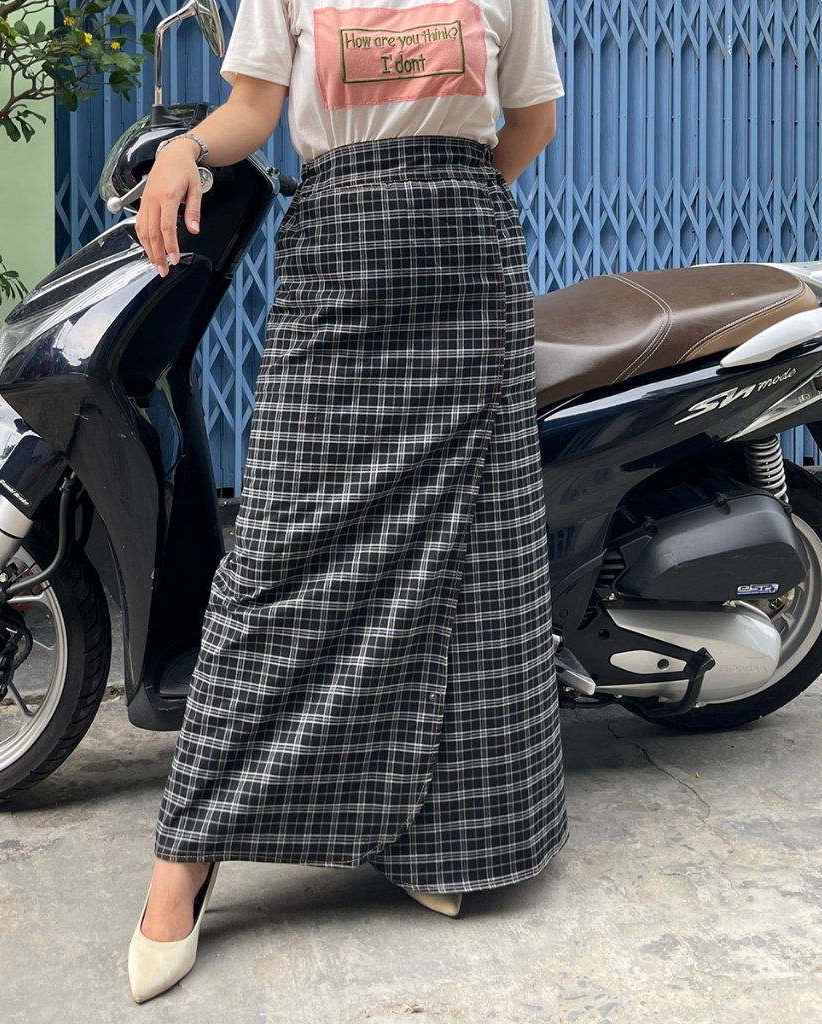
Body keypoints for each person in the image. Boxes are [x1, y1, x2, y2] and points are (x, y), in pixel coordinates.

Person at [128, 0, 568, 1003]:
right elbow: (255, 110)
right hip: (340, 255)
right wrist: (186, 148)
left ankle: (440, 837)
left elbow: (532, 121)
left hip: (466, 270)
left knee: (468, 555)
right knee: (276, 555)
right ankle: (186, 856)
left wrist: (444, 203)